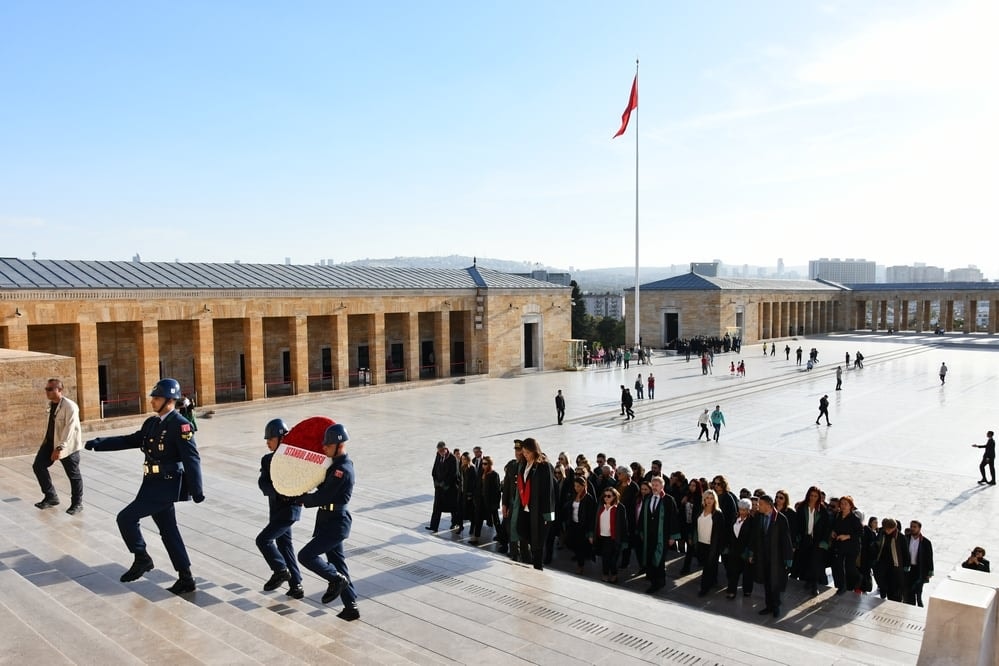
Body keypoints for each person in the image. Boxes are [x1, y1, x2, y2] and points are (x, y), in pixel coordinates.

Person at [84, 378, 204, 594]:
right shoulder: (152, 423)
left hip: (165, 486)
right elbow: (130, 440)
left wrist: (197, 489)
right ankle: (186, 578)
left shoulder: (180, 425)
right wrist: (99, 443)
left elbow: (191, 457)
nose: (152, 401)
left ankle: (142, 558)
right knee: (169, 532)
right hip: (151, 483)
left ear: (170, 400)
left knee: (126, 518)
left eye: (156, 398)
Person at [294, 424, 359, 620]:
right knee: (338, 563)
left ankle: (335, 580)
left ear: (339, 445)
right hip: (328, 521)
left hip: (336, 523)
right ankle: (351, 606)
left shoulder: (342, 470)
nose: (324, 448)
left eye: (328, 445)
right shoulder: (334, 466)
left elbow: (323, 496)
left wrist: (301, 498)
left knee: (306, 555)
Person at [256, 418, 304, 599]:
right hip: (276, 510)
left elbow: (304, 482)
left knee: (263, 540)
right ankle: (296, 585)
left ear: (281, 438)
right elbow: (263, 484)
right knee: (284, 546)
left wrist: (291, 493)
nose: (267, 442)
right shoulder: (267, 460)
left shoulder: (295, 460)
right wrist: (279, 490)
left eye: (270, 438)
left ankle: (280, 570)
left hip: (289, 510)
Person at [32, 378, 84, 515]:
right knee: (38, 466)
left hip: (67, 446)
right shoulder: (51, 405)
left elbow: (70, 429)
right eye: (46, 389)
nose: (47, 392)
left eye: (50, 389)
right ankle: (51, 497)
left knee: (73, 475)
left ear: (59, 390)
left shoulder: (70, 406)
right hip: (49, 443)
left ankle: (77, 503)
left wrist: (60, 448)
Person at [748, 494, 793, 618]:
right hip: (763, 557)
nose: (758, 506)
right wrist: (751, 552)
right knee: (767, 582)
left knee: (775, 583)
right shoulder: (759, 517)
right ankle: (768, 606)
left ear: (768, 505)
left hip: (776, 558)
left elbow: (786, 540)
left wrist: (788, 559)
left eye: (760, 504)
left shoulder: (780, 519)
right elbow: (754, 536)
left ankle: (776, 606)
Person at [516, 437, 556, 570]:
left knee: (538, 541)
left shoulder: (544, 466)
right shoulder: (524, 464)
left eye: (527, 452)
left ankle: (538, 567)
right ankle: (528, 561)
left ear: (534, 451)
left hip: (539, 510)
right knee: (523, 532)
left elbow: (549, 493)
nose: (525, 455)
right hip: (526, 508)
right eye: (524, 452)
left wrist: (548, 517)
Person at [639, 476, 680, 594]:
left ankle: (659, 582)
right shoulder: (647, 497)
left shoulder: (668, 500)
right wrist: (641, 530)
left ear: (662, 486)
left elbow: (673, 518)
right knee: (650, 555)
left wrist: (673, 536)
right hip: (649, 534)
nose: (655, 487)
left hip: (662, 535)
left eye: (657, 485)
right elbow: (643, 515)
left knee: (659, 559)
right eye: (653, 485)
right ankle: (653, 579)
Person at [695, 489, 726, 597]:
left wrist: (720, 547)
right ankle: (712, 581)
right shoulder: (700, 510)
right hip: (700, 542)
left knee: (708, 567)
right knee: (707, 565)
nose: (709, 500)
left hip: (712, 545)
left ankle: (704, 589)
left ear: (715, 500)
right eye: (707, 498)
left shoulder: (718, 513)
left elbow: (721, 533)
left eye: (711, 498)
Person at [829, 495, 862, 595]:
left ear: (850, 506)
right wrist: (833, 532)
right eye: (842, 504)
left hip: (851, 547)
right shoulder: (838, 515)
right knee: (838, 566)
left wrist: (847, 536)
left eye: (845, 504)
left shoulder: (854, 519)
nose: (843, 506)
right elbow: (834, 527)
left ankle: (858, 578)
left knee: (850, 567)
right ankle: (842, 587)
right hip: (839, 545)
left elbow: (860, 532)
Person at [594, 487, 628, 583]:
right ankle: (605, 573)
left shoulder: (620, 507)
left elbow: (624, 525)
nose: (606, 498)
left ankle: (614, 574)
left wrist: (625, 540)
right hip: (602, 537)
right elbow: (595, 521)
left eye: (609, 496)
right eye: (605, 496)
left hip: (614, 538)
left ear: (614, 496)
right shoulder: (601, 506)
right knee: (605, 557)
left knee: (613, 559)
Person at [725, 498, 755, 599]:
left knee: (747, 573)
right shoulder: (735, 519)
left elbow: (752, 539)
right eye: (740, 509)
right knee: (733, 571)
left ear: (748, 510)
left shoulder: (752, 522)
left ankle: (747, 590)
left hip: (745, 551)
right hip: (734, 550)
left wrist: (750, 553)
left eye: (744, 510)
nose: (742, 512)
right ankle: (731, 591)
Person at [471, 456, 502, 546]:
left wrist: (495, 503)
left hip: (490, 502)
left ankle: (501, 537)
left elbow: (497, 490)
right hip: (481, 501)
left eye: (485, 464)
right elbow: (477, 486)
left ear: (490, 464)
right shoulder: (481, 473)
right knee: (478, 519)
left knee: (496, 520)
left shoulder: (494, 475)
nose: (483, 465)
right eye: (482, 463)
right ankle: (476, 537)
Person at [427, 441, 459, 532]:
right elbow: (434, 470)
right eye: (439, 451)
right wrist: (436, 483)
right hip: (439, 487)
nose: (440, 452)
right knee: (437, 507)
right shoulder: (438, 456)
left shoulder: (452, 458)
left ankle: (455, 523)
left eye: (441, 450)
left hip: (450, 488)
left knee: (453, 507)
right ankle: (433, 526)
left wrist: (445, 484)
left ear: (445, 449)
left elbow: (454, 474)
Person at [874, 518, 907, 601]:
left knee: (894, 588)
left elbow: (905, 552)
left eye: (890, 529)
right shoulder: (882, 534)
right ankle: (884, 591)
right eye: (886, 529)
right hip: (882, 562)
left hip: (895, 566)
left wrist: (906, 565)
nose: (887, 531)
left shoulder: (900, 537)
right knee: (882, 580)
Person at [904, 520, 934, 607]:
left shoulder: (926, 542)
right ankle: (910, 605)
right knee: (908, 590)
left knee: (918, 590)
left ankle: (919, 603)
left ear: (919, 528)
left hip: (919, 569)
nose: (912, 528)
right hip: (908, 569)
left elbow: (929, 558)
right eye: (911, 526)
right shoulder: (906, 538)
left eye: (914, 527)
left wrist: (930, 571)